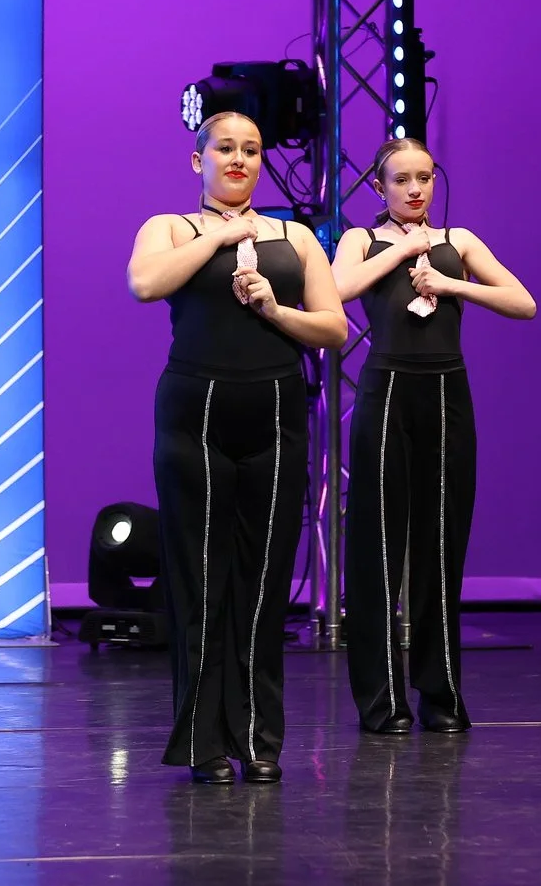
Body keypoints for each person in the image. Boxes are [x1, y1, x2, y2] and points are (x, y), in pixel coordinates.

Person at [127, 110, 347, 784]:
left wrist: (274, 310)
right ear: (199, 160)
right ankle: (204, 742)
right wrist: (227, 234)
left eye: (251, 150)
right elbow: (145, 283)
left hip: (276, 414)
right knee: (201, 577)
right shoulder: (170, 228)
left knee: (263, 581)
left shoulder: (297, 236)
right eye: (225, 148)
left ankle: (258, 740)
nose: (239, 160)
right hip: (194, 414)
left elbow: (334, 328)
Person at [332, 137, 536, 734]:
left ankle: (440, 693)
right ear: (379, 186)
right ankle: (381, 699)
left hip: (447, 394)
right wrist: (401, 254)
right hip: (387, 392)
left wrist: (453, 285)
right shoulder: (361, 240)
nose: (416, 189)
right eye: (401, 180)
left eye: (424, 178)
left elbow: (522, 303)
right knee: (379, 544)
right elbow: (338, 293)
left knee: (441, 544)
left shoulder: (459, 242)